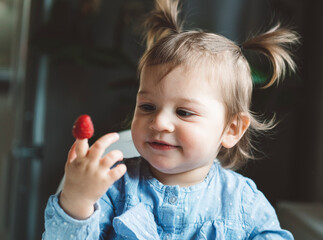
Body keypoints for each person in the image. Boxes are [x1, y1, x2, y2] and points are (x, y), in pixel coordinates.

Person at [43, 0, 299, 239]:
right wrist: (78, 200)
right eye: (148, 106)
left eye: (184, 112)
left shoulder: (245, 202)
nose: (159, 123)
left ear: (231, 129)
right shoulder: (113, 187)